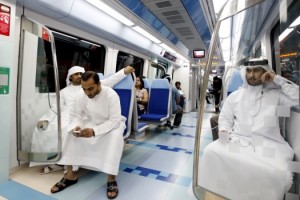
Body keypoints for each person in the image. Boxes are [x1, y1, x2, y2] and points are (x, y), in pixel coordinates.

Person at [30, 66, 134, 174]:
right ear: (70, 77)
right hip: (69, 114)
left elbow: (112, 80)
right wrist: (45, 118)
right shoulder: (64, 92)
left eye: (81, 73)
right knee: (53, 130)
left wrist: (124, 72)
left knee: (66, 130)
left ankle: (69, 163)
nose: (79, 76)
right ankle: (61, 162)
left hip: (86, 115)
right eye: (76, 74)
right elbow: (55, 108)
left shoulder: (95, 86)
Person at [50, 71, 125, 199]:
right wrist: (75, 127)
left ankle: (111, 179)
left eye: (91, 89)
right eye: (84, 89)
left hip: (111, 125)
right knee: (68, 133)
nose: (87, 93)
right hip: (90, 122)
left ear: (99, 84)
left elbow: (114, 121)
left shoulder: (111, 95)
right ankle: (70, 175)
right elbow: (75, 116)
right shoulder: (81, 94)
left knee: (115, 138)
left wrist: (94, 131)